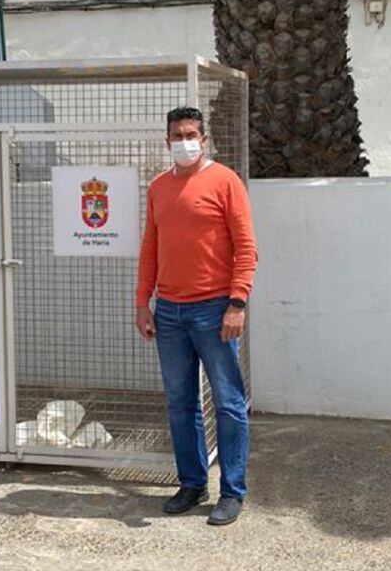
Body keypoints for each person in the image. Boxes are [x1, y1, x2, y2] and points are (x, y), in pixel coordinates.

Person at [135, 106, 258, 526]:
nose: (184, 141)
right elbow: (151, 248)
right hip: (169, 312)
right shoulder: (157, 188)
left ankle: (232, 492)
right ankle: (191, 483)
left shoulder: (225, 182)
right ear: (167, 141)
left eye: (191, 134)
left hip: (214, 310)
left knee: (228, 403)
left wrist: (237, 303)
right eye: (177, 135)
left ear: (204, 139)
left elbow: (246, 247)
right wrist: (142, 303)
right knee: (179, 403)